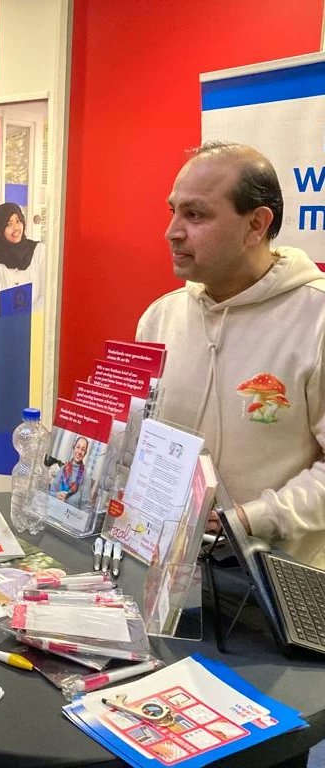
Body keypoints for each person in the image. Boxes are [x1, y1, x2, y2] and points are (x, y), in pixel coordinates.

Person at [136, 141, 325, 569]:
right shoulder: (159, 319)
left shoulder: (317, 319)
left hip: (274, 586)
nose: (172, 231)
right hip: (165, 568)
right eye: (173, 211)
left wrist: (250, 519)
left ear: (256, 225)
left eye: (196, 215)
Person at [0, 201, 46, 316]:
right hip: (7, 330)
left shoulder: (38, 251)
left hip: (36, 326)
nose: (16, 228)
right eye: (9, 224)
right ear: (0, 230)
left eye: (18, 221)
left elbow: (46, 296)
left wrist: (25, 319)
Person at [50, 436, 89, 504]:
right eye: (78, 447)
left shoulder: (85, 476)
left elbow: (85, 506)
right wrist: (57, 495)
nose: (79, 451)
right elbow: (51, 492)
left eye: (83, 450)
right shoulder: (63, 469)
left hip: (71, 513)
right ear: (73, 448)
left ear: (85, 453)